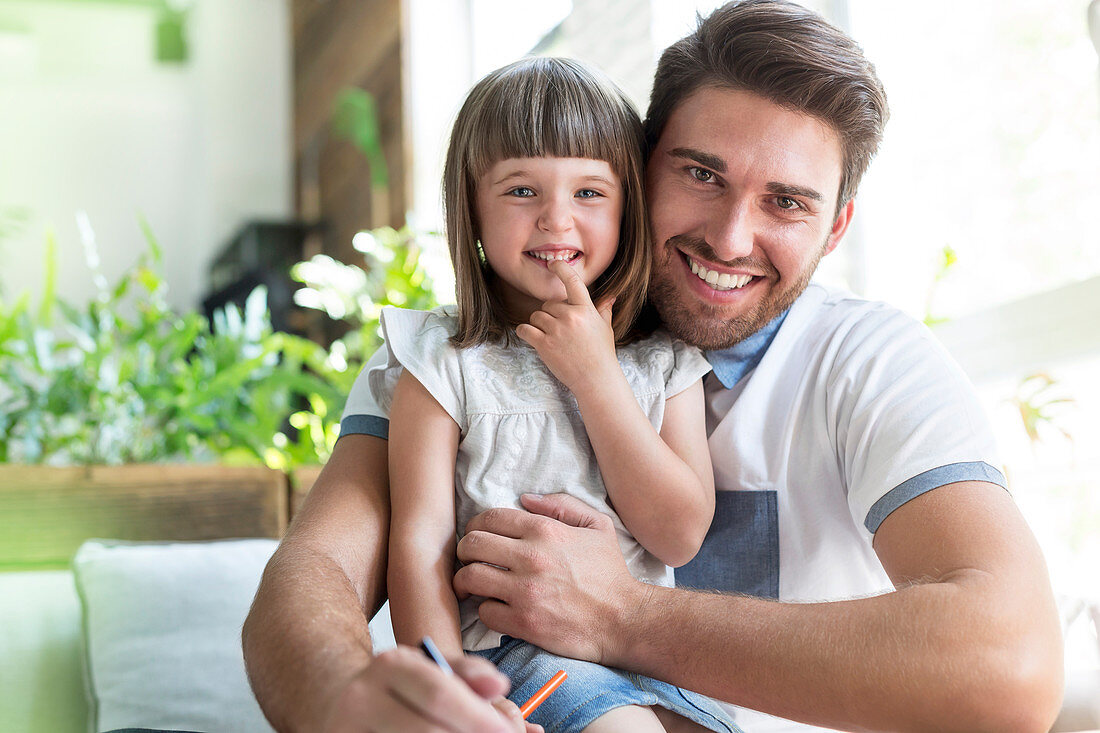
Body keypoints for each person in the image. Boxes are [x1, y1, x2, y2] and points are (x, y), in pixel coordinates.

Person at [242, 1, 1065, 732]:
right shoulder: (451, 357)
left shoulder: (867, 362)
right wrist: (359, 704)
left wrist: (622, 612)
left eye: (788, 201)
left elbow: (1013, 670)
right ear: (643, 162)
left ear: (836, 227)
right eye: (701, 174)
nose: (731, 238)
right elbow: (314, 576)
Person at [374, 56, 736, 733]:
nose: (555, 220)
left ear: (629, 205)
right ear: (472, 207)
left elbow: (678, 533)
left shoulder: (663, 363)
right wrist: (453, 690)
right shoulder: (445, 358)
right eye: (520, 191)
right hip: (514, 657)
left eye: (589, 193)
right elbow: (420, 539)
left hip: (648, 655)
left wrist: (596, 375)